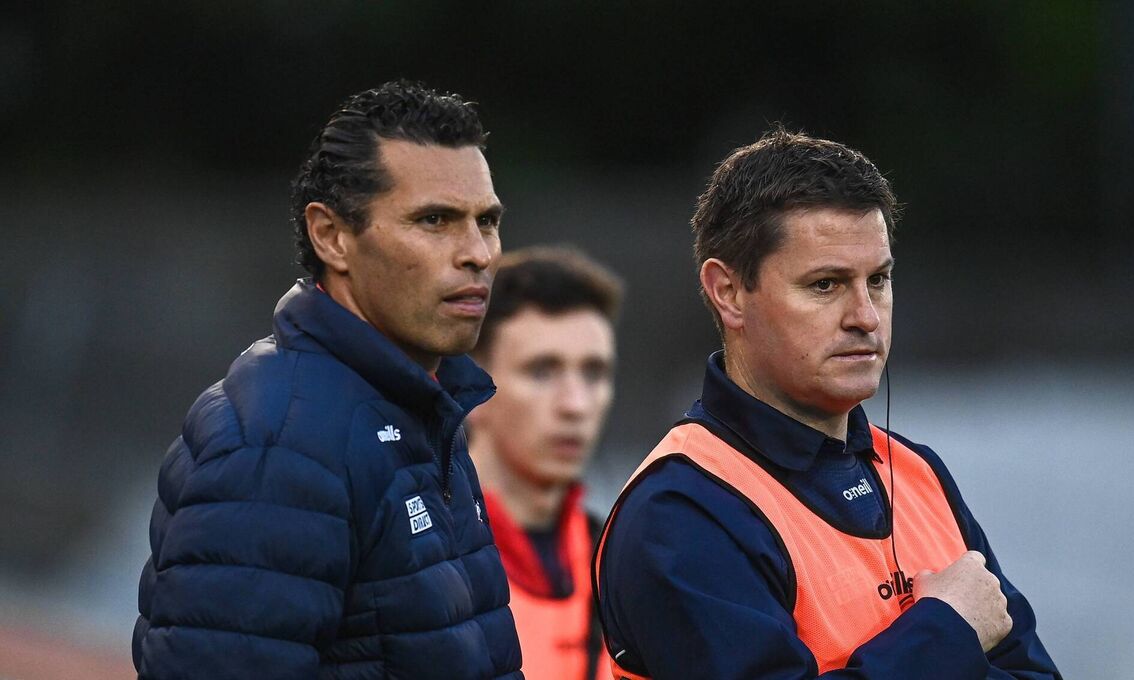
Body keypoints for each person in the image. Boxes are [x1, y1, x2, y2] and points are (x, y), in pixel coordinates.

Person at [593, 128, 1061, 679]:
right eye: (825, 285)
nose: (865, 315)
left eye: (879, 280)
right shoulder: (679, 512)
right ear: (727, 292)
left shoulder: (919, 473)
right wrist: (948, 632)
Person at [133, 81, 523, 679]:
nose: (477, 253)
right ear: (332, 236)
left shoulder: (421, 409)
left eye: (486, 222)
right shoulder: (278, 443)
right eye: (436, 220)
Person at [467, 247, 622, 680]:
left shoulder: (622, 564)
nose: (575, 404)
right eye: (542, 371)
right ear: (470, 385)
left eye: (593, 373)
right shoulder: (405, 557)